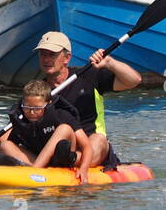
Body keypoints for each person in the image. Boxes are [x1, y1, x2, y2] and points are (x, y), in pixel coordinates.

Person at [33, 31, 141, 183]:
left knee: (99, 140)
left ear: (67, 58)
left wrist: (110, 63)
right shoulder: (38, 90)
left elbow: (134, 80)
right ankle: (56, 158)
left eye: (52, 54)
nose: (46, 59)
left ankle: (68, 159)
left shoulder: (89, 76)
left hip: (91, 146)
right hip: (58, 146)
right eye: (43, 54)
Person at [0, 79, 78, 168]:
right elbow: (12, 146)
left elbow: (86, 147)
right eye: (27, 108)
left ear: (47, 104)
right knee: (5, 145)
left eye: (37, 109)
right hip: (36, 159)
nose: (32, 112)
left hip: (62, 158)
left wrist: (83, 169)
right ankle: (33, 169)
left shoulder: (60, 115)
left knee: (64, 129)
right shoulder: (22, 120)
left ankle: (35, 170)